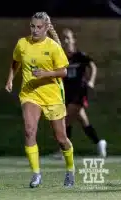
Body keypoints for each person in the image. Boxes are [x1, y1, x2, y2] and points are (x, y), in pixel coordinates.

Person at [5, 12, 75, 188]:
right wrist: (10, 78)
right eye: (32, 26)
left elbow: (63, 72)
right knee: (29, 131)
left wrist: (45, 74)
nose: (35, 30)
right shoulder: (22, 43)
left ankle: (70, 170)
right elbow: (15, 61)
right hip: (30, 94)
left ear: (46, 28)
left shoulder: (53, 47)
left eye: (39, 27)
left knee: (61, 138)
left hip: (52, 95)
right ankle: (36, 174)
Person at [52, 28, 107, 159]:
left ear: (73, 40)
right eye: (63, 38)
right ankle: (99, 142)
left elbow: (92, 66)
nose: (65, 41)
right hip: (68, 94)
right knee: (83, 121)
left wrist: (91, 81)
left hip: (80, 92)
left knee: (65, 120)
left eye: (68, 38)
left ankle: (64, 150)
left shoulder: (80, 56)